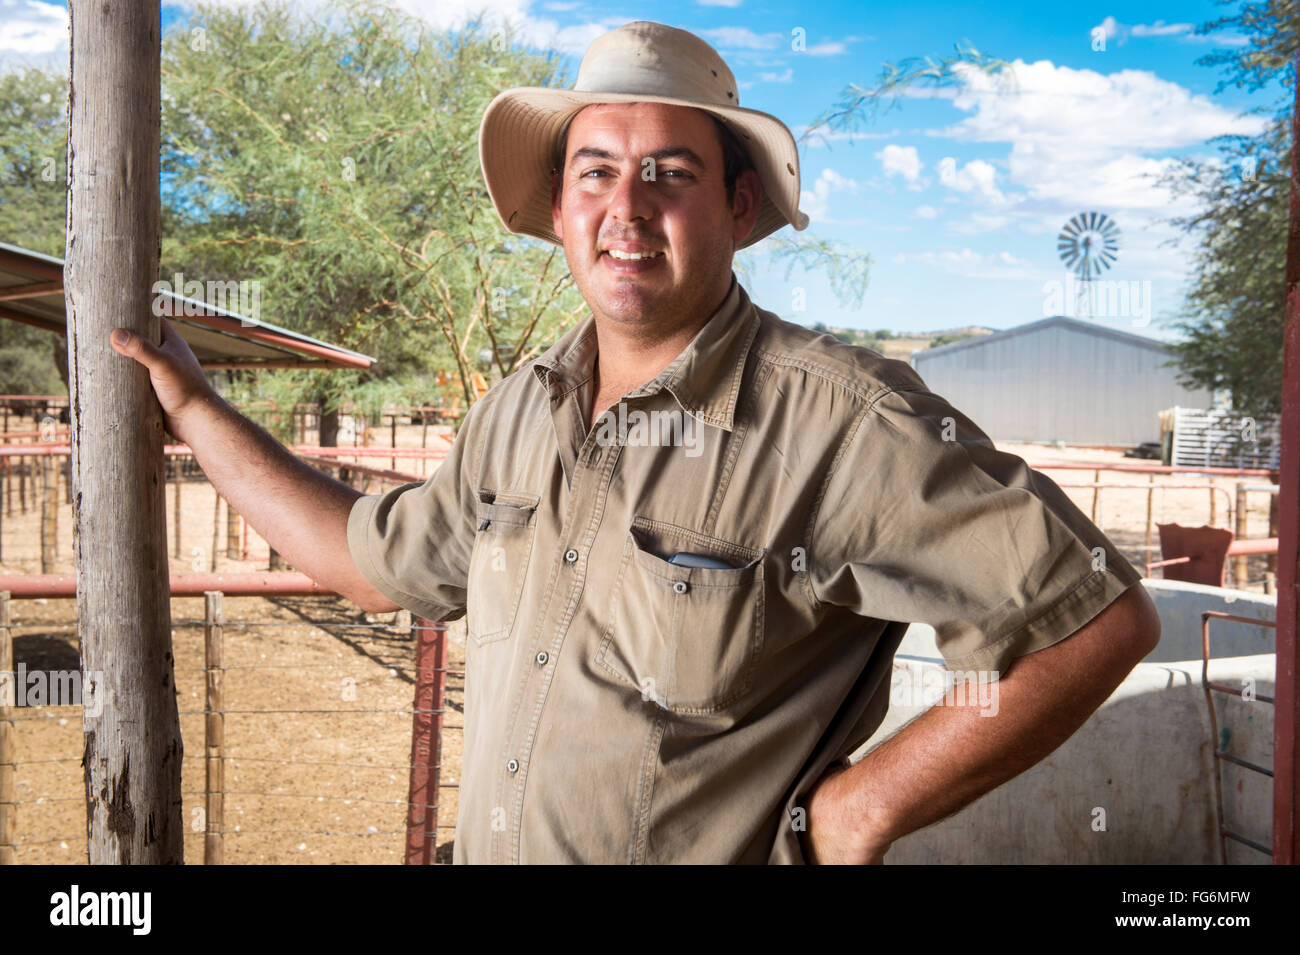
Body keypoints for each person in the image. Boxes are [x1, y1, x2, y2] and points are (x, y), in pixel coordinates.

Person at [110, 20, 1160, 864]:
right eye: (596, 173)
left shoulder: (843, 419)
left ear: (740, 208)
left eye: (669, 174)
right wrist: (197, 410)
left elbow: (1090, 623)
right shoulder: (521, 410)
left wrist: (860, 810)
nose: (627, 207)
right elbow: (371, 561)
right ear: (560, 212)